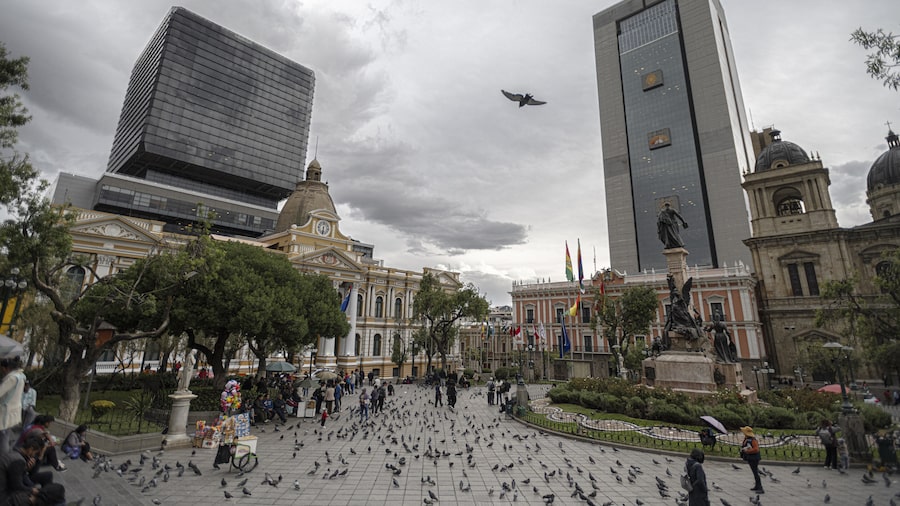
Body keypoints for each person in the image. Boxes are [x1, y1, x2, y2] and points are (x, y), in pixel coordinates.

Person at [0, 433, 48, 504]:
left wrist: (26, 468)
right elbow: (16, 486)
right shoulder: (19, 461)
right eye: (35, 453)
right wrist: (32, 490)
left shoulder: (14, 449)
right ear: (31, 449)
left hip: (5, 485)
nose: (34, 455)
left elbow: (14, 474)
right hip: (3, 496)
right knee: (32, 499)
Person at [0, 356, 27, 454]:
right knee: (5, 434)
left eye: (2, 368)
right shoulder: (21, 376)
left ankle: (4, 458)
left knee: (3, 435)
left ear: (6, 368)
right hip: (13, 411)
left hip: (5, 412)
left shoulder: (12, 378)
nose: (2, 371)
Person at [740, 426, 763, 493]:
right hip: (751, 458)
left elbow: (756, 449)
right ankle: (757, 486)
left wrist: (747, 451)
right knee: (754, 472)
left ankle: (760, 488)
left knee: (756, 472)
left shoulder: (753, 440)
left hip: (754, 458)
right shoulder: (747, 439)